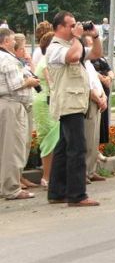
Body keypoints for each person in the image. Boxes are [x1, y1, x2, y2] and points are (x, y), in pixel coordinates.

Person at [46, 11, 103, 207]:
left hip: (76, 103)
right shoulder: (54, 48)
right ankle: (77, 195)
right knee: (77, 148)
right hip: (68, 104)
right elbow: (73, 57)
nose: (74, 28)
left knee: (63, 148)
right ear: (59, 27)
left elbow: (96, 54)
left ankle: (56, 192)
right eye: (71, 25)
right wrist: (78, 38)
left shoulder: (73, 44)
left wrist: (94, 36)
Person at [0, 27, 41, 200]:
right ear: (6, 41)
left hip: (8, 105)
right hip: (12, 105)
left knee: (5, 147)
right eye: (12, 40)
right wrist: (30, 81)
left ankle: (6, 186)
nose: (15, 43)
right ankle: (11, 188)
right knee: (12, 148)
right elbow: (15, 84)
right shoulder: (8, 60)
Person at [33, 31, 58, 187]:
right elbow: (51, 83)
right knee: (48, 139)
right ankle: (47, 177)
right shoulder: (45, 63)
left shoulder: (48, 61)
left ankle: (52, 176)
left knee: (54, 138)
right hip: (44, 102)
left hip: (50, 102)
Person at [81, 34, 107, 182]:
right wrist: (98, 99)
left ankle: (91, 170)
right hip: (91, 102)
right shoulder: (82, 64)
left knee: (95, 139)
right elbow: (87, 86)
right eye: (90, 45)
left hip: (98, 101)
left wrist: (104, 97)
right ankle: (84, 172)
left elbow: (96, 82)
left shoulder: (89, 64)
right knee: (88, 138)